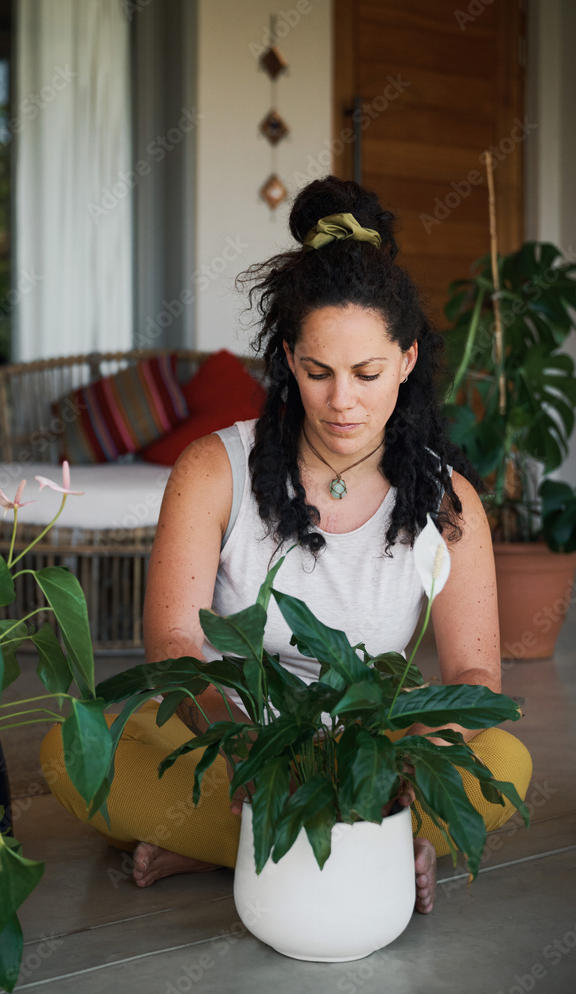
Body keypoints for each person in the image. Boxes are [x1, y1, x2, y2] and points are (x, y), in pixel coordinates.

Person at [40, 176, 532, 914]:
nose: (342, 402)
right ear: (285, 359)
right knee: (70, 754)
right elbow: (174, 643)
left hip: (376, 753)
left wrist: (398, 769)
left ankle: (250, 845)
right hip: (236, 744)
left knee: (508, 759)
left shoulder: (449, 502)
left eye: (367, 373)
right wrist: (248, 758)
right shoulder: (213, 471)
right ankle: (374, 847)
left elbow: (472, 673)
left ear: (405, 360)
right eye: (316, 371)